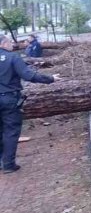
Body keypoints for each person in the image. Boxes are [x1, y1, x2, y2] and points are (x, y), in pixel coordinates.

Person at [0, 35, 57, 173]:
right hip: (9, 99)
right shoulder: (13, 57)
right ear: (3, 43)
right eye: (9, 42)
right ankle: (8, 164)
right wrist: (50, 79)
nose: (12, 44)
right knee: (11, 131)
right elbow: (28, 75)